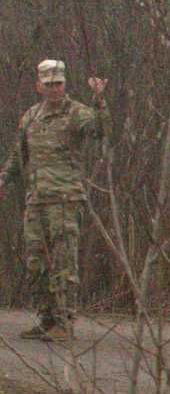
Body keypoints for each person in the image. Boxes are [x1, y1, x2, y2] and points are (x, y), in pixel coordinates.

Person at [0, 60, 108, 341]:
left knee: (63, 260)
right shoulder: (31, 117)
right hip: (37, 200)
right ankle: (47, 318)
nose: (54, 89)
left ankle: (63, 320)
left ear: (64, 84)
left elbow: (99, 130)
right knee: (36, 261)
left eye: (58, 83)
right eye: (48, 84)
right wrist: (3, 179)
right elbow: (18, 156)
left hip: (65, 199)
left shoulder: (76, 113)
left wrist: (99, 101)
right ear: (39, 86)